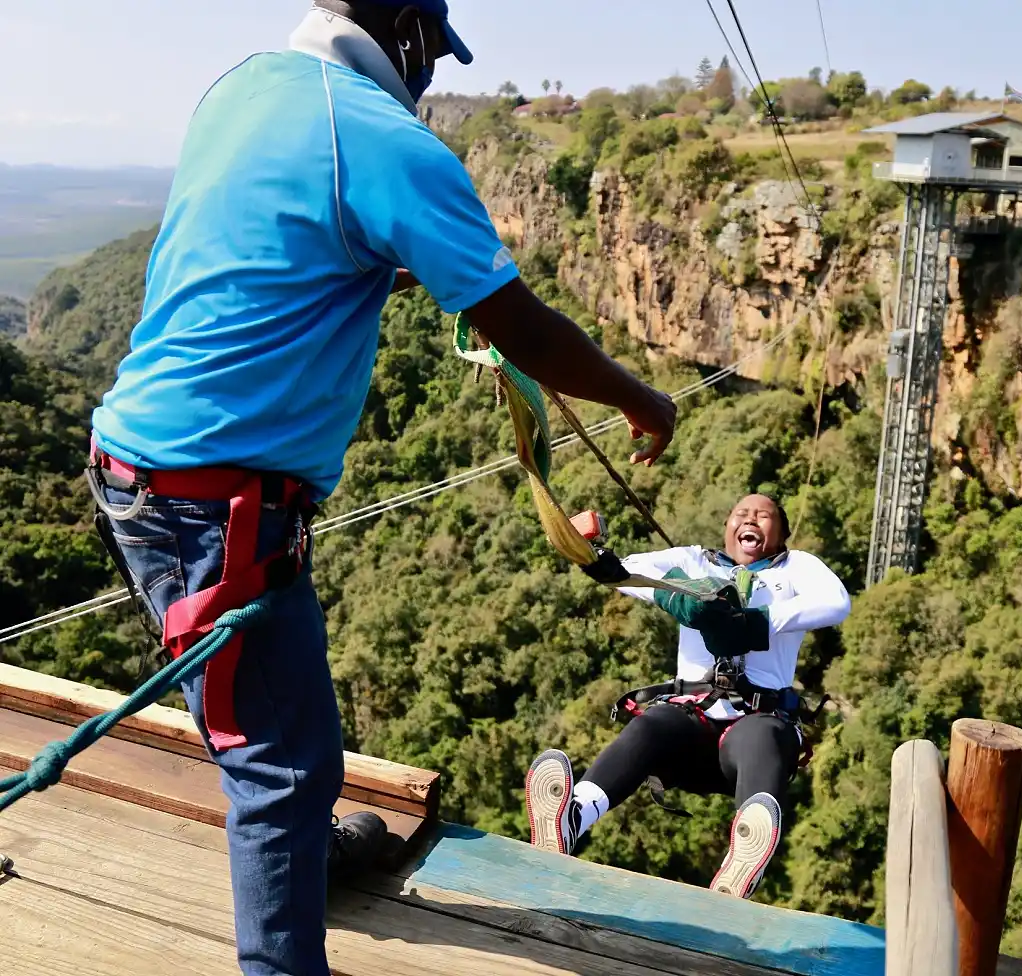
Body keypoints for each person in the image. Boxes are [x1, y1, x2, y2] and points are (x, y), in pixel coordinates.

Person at [85, 3, 676, 974]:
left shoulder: (241, 88)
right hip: (221, 506)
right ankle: (285, 918)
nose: (432, 77)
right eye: (433, 53)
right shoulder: (384, 137)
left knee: (274, 726)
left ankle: (302, 856)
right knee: (282, 768)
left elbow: (281, 250)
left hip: (139, 470)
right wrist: (641, 398)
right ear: (403, 27)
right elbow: (524, 328)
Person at [524, 494, 850, 899]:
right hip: (691, 724)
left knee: (759, 736)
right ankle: (576, 814)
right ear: (728, 528)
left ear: (781, 533)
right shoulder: (698, 564)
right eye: (741, 514)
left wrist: (755, 623)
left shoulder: (795, 568)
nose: (751, 519)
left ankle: (743, 859)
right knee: (655, 724)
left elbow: (836, 602)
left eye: (764, 516)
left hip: (756, 726)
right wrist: (604, 564)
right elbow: (634, 571)